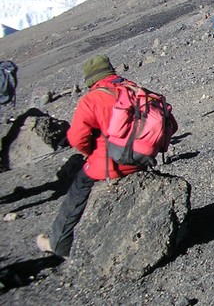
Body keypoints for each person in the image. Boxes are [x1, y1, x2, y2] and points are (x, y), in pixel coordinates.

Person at [35, 55, 177, 257]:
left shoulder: (92, 99)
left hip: (109, 166)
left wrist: (89, 154)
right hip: (141, 161)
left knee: (76, 193)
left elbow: (77, 138)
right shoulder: (133, 89)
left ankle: (59, 244)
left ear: (90, 79)